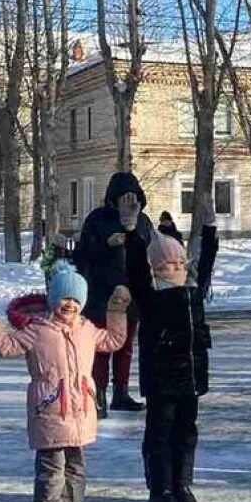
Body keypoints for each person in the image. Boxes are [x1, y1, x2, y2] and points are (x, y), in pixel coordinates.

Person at [0, 266, 129, 502]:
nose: (70, 304)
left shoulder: (87, 329)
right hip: (50, 406)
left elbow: (113, 341)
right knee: (53, 462)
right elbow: (4, 346)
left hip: (80, 408)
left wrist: (117, 310)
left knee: (76, 461)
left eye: (76, 300)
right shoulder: (38, 329)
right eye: (65, 298)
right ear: (53, 299)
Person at [126, 207, 219, 502]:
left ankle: (182, 482)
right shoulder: (150, 297)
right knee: (160, 432)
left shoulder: (192, 292)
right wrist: (132, 236)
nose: (177, 269)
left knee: (187, 431)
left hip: (191, 377)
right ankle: (161, 486)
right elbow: (136, 270)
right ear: (155, 270)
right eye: (168, 265)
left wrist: (209, 230)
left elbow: (205, 264)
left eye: (181, 263)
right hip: (162, 377)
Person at [73, 172, 155, 414]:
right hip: (101, 292)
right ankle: (98, 393)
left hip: (130, 291)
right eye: (123, 197)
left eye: (133, 197)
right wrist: (106, 245)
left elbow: (148, 251)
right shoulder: (97, 219)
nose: (128, 202)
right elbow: (83, 254)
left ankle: (121, 391)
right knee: (101, 347)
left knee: (125, 345)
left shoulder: (143, 221)